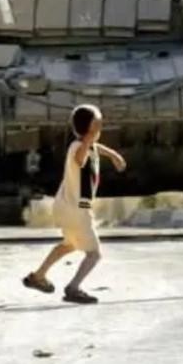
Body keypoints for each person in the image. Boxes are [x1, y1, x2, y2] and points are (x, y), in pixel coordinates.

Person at [22, 104, 126, 304]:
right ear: (91, 129)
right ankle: (73, 287)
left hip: (65, 207)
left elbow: (96, 148)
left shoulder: (85, 145)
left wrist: (113, 155)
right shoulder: (79, 148)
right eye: (97, 125)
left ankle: (38, 276)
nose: (100, 129)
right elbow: (81, 158)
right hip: (78, 209)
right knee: (94, 254)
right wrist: (90, 136)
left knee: (68, 245)